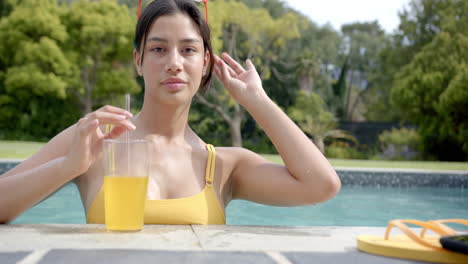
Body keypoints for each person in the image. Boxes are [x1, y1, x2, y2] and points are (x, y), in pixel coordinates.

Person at [0, 0, 340, 224]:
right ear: (138, 60)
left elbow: (321, 187)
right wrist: (67, 166)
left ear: (205, 62)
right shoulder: (94, 141)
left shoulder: (223, 166)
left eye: (188, 50)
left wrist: (257, 101)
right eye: (158, 49)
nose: (174, 63)